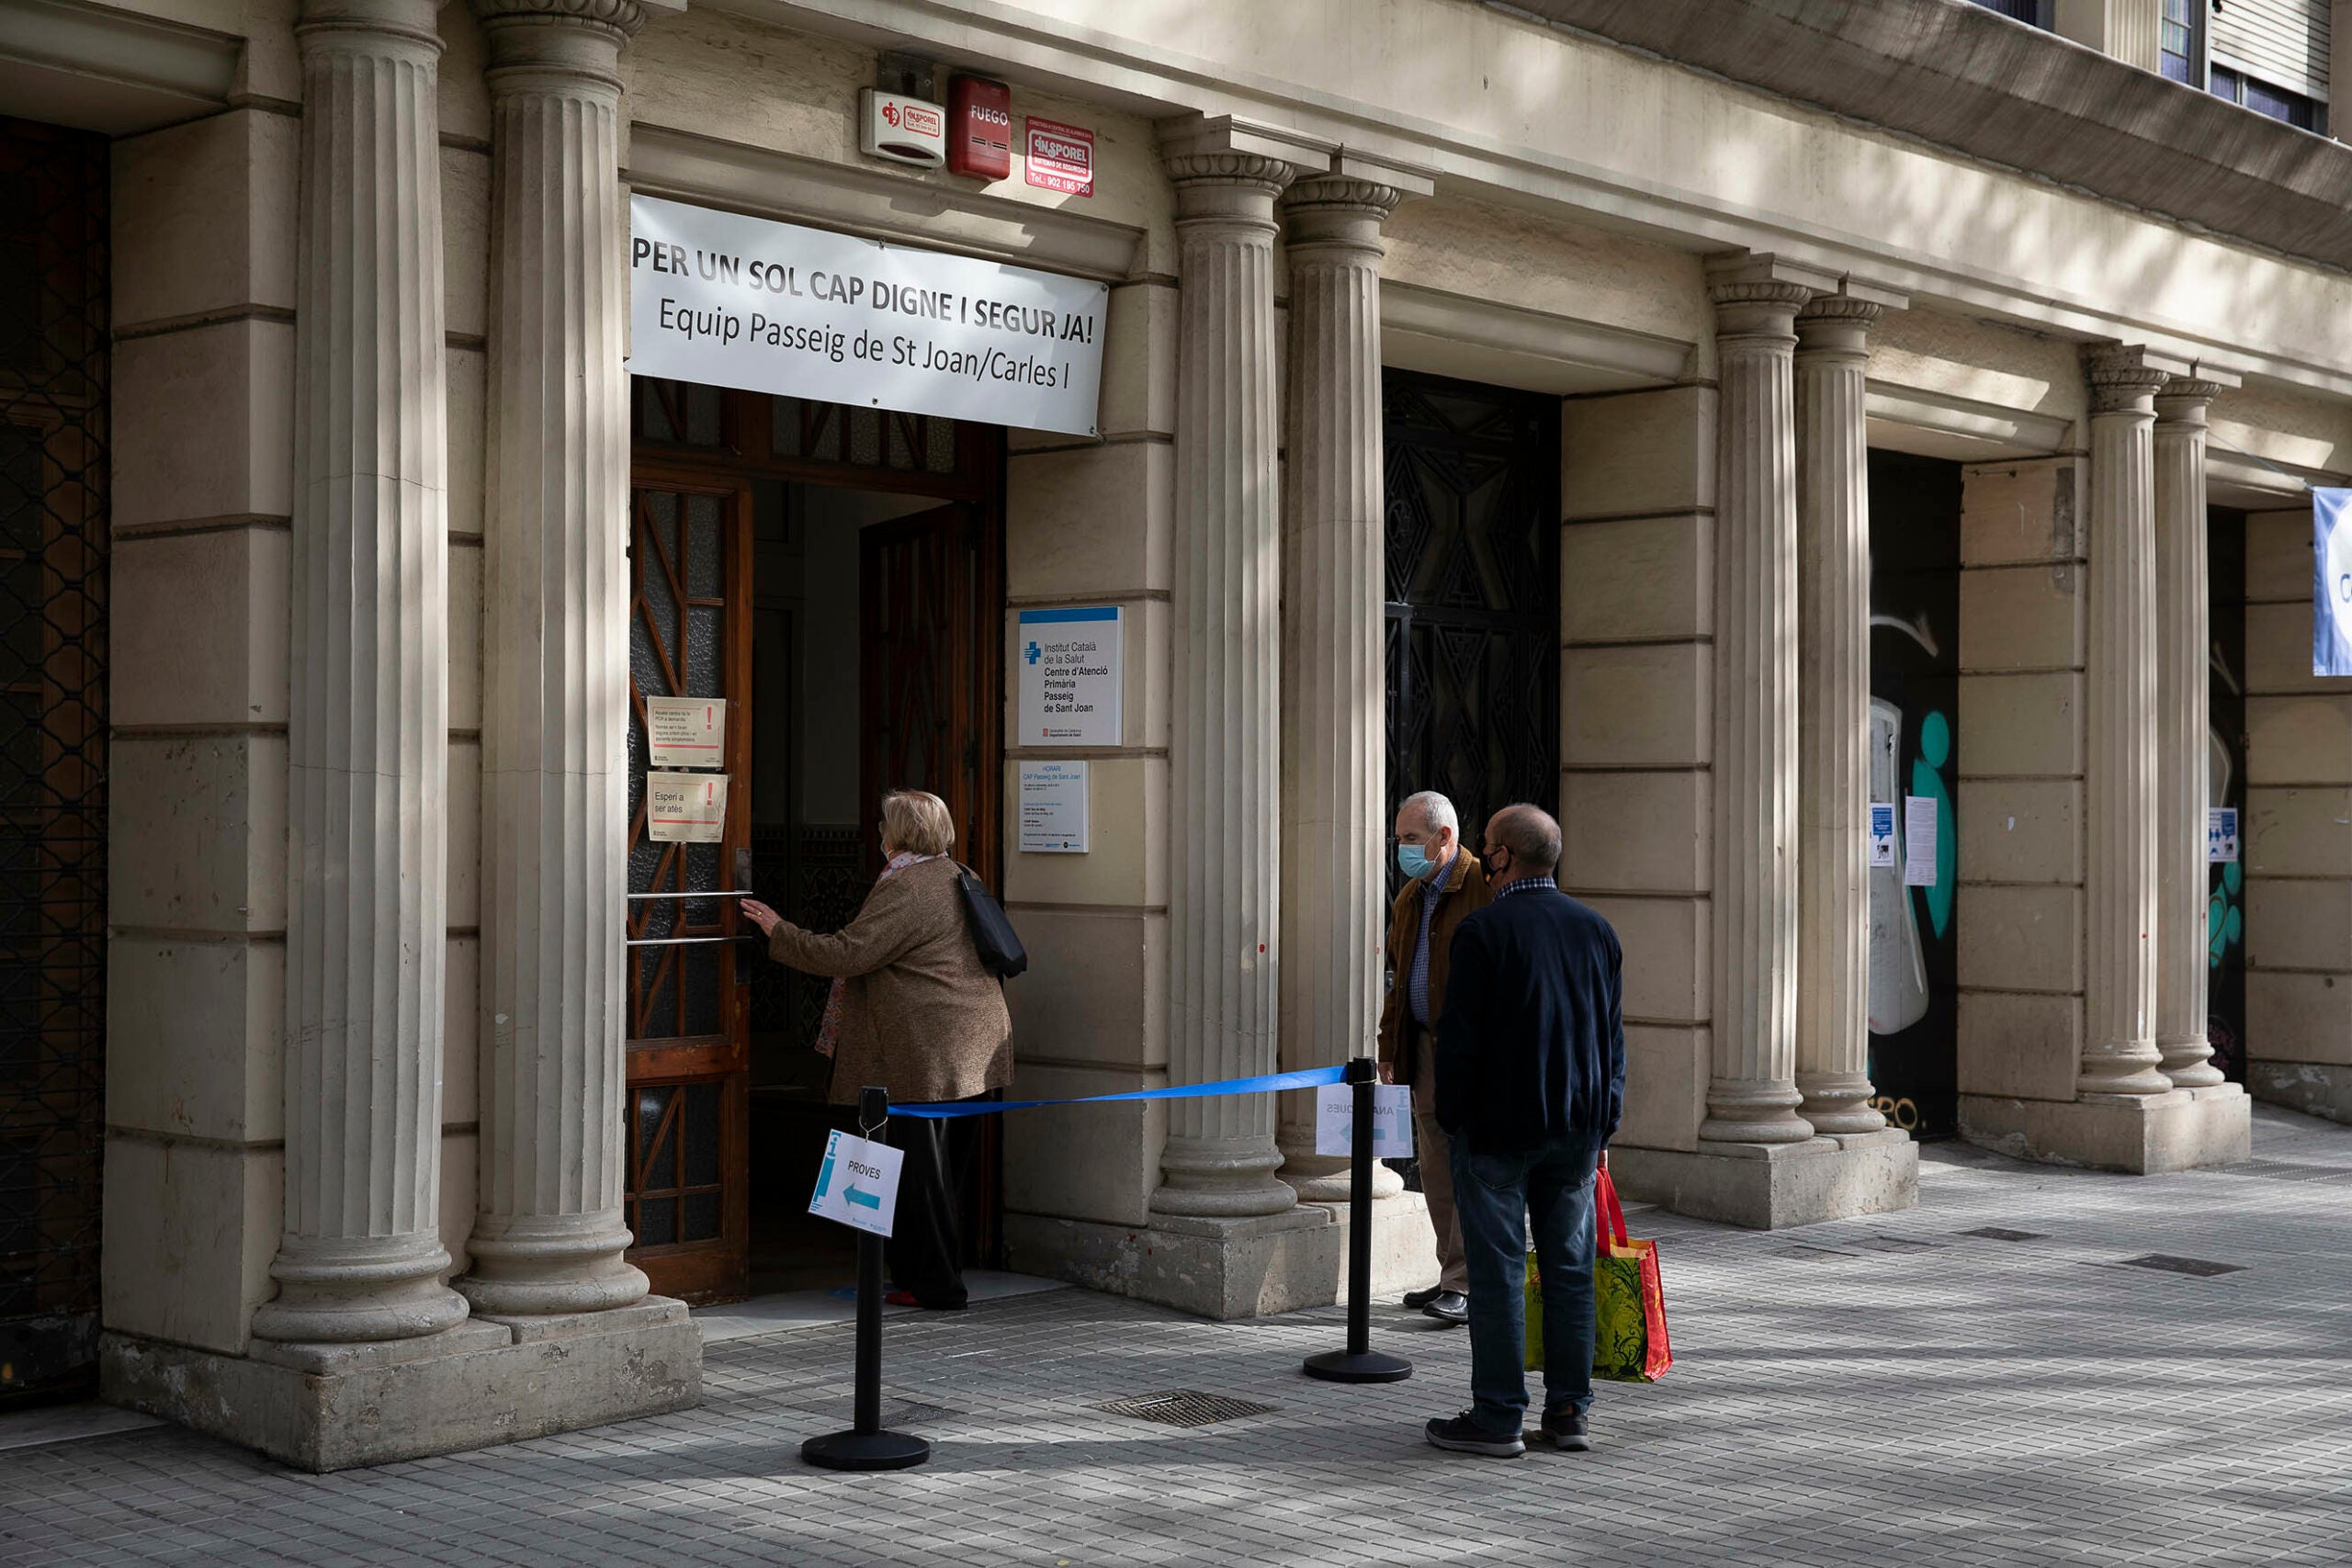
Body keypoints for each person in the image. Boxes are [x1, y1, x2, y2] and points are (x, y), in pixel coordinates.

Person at [741, 788, 1012, 1311]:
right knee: (937, 1173)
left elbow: (850, 952)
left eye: (884, 823)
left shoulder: (908, 887)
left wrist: (779, 931)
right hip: (967, 1049)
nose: (878, 832)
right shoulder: (960, 875)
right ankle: (922, 1276)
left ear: (900, 832)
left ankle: (935, 1285)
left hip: (925, 1054)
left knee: (918, 1176)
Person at [1423, 803, 1624, 1458]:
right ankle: (1568, 1412)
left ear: (1505, 857)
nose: (1484, 858)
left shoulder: (1483, 932)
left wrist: (1452, 1118)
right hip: (1576, 1128)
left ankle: (1500, 1415)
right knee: (1569, 1271)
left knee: (1499, 1271)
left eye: (1488, 848)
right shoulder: (1597, 931)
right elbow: (1613, 1038)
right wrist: (1606, 1115)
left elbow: (1459, 1042)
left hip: (1498, 1133)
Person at [1375, 789, 1491, 1325]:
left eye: (1410, 839)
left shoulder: (1484, 891)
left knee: (1468, 1164)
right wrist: (1389, 1048)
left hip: (1469, 1052)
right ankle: (1452, 1274)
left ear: (1446, 837)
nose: (1402, 849)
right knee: (1434, 1166)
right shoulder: (1410, 897)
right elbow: (1397, 983)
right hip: (1420, 1047)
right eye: (1399, 839)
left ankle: (1468, 1283)